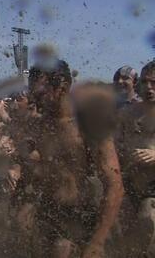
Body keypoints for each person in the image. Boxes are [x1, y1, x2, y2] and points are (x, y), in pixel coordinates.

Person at [14, 60, 123, 258]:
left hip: (81, 213)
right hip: (47, 209)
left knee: (61, 249)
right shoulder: (37, 124)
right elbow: (30, 172)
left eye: (40, 93)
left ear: (62, 88)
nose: (33, 98)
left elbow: (115, 185)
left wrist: (97, 242)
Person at [117, 60, 155, 256]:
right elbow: (114, 145)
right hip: (130, 182)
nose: (149, 87)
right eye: (146, 82)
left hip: (153, 187)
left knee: (146, 221)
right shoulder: (127, 113)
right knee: (122, 238)